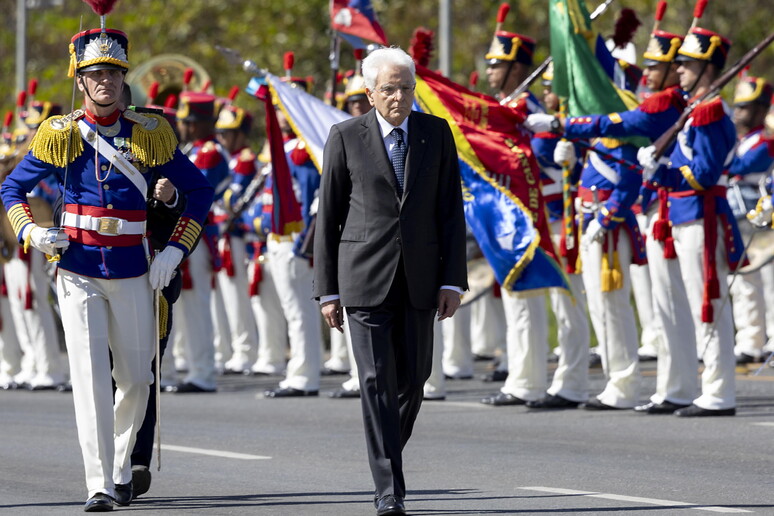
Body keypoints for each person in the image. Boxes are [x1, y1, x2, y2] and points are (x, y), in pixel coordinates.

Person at [0, 26, 213, 511]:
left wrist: (177, 250)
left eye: (114, 74)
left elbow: (199, 192)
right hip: (77, 268)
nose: (106, 83)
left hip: (135, 268)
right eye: (96, 75)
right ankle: (98, 483)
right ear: (80, 81)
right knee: (92, 379)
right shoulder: (61, 134)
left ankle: (120, 466)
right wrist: (32, 232)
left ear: (124, 79)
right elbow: (12, 188)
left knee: (137, 378)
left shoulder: (150, 134)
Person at [313, 47, 467, 516]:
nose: (398, 97)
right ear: (369, 93)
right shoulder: (345, 137)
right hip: (363, 280)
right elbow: (330, 216)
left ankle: (386, 454)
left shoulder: (435, 134)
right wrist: (329, 290)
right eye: (388, 89)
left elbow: (449, 210)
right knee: (377, 382)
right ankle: (388, 490)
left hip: (420, 279)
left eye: (405, 88)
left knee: (415, 380)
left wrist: (453, 281)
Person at [638, 26, 741, 417]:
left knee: (709, 305)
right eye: (679, 64)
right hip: (676, 215)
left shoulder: (711, 112)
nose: (679, 70)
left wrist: (661, 171)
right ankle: (678, 387)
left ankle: (719, 392)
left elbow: (703, 172)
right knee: (673, 306)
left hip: (702, 214)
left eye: (688, 64)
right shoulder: (691, 109)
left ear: (707, 68)